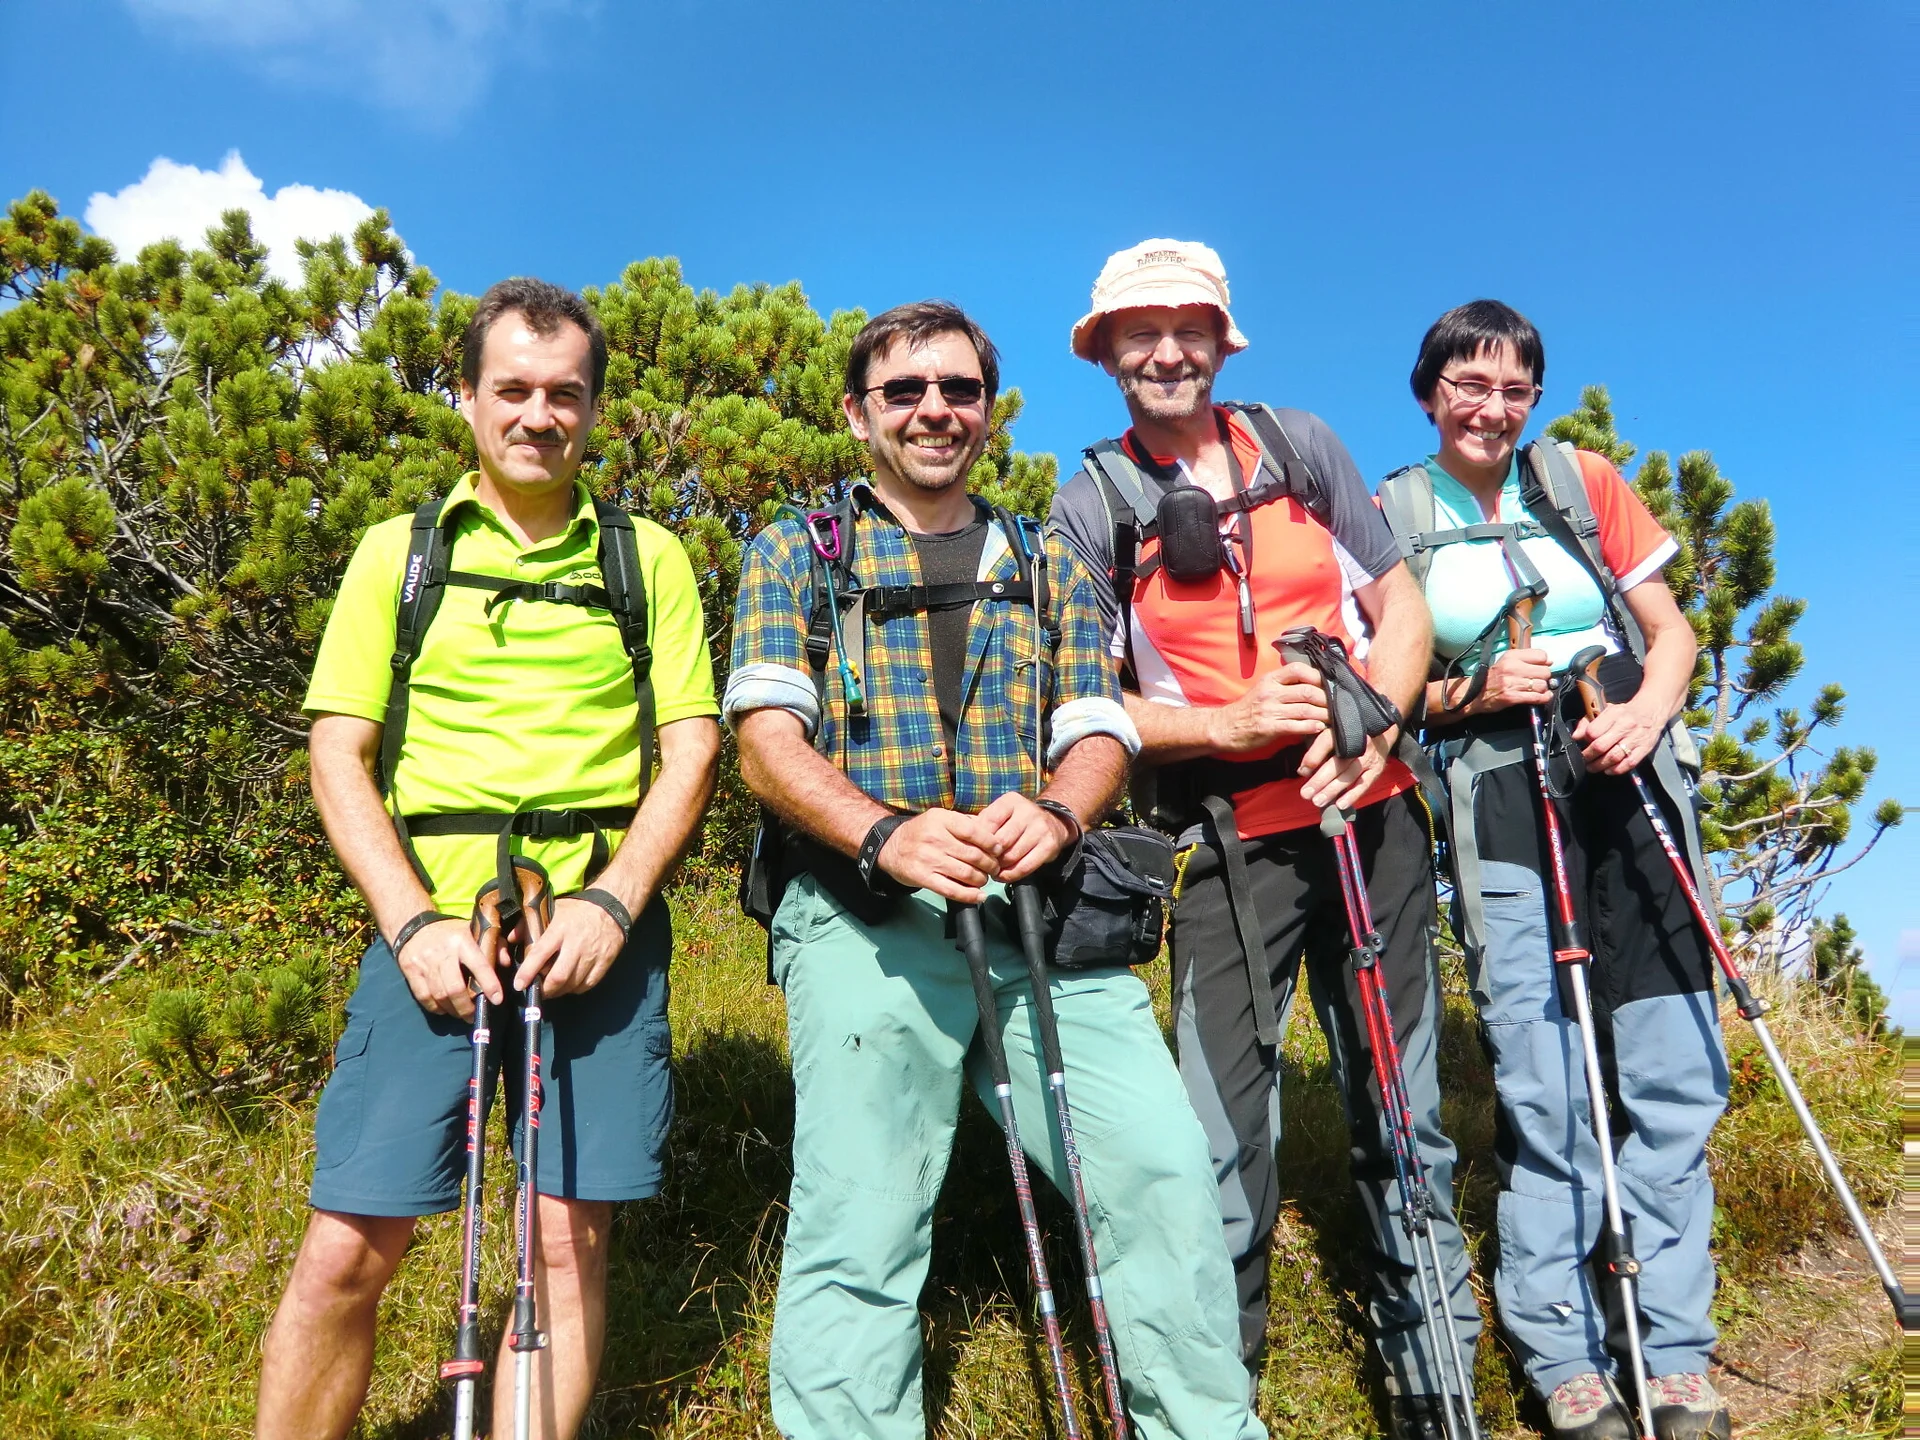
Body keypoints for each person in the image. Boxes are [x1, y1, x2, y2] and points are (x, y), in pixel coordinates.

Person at [727, 299, 1265, 1440]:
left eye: (960, 390)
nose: (935, 411)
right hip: (862, 914)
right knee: (861, 1222)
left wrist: (1061, 815)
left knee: (1164, 1182)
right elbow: (767, 745)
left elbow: (1100, 730)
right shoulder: (795, 550)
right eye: (906, 391)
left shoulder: (1044, 559)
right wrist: (884, 834)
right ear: (858, 415)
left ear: (987, 409)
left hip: (1042, 920)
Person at [257, 277, 722, 1440]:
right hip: (436, 923)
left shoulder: (646, 557)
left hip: (596, 927)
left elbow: (691, 747)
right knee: (350, 1244)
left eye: (564, 393)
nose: (537, 414)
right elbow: (338, 751)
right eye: (510, 388)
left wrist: (614, 903)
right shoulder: (398, 554)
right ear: (464, 397)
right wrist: (410, 925)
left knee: (563, 1240)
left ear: (595, 410)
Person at [1049, 240, 1481, 1439]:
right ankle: (1215, 1400)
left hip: (1373, 813)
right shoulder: (1091, 504)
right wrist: (1224, 722)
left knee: (1406, 1109)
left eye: (1190, 326)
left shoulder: (1300, 447)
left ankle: (1434, 1382)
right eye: (1140, 331)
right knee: (1217, 1137)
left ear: (1223, 339)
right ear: (1105, 353)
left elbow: (1397, 604)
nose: (1167, 349)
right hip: (1218, 839)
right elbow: (1082, 703)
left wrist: (1378, 725)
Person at [1378, 299, 1729, 1440]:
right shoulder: (1390, 516)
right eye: (1468, 384)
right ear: (1430, 390)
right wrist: (1468, 691)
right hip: (1498, 791)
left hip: (1631, 774)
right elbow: (1386, 699)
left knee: (1676, 1064)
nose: (1492, 406)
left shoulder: (1579, 482)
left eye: (1514, 386)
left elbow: (1668, 629)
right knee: (1546, 1076)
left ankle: (1670, 1353)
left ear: (1534, 397)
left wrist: (1648, 717)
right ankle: (1565, 1353)